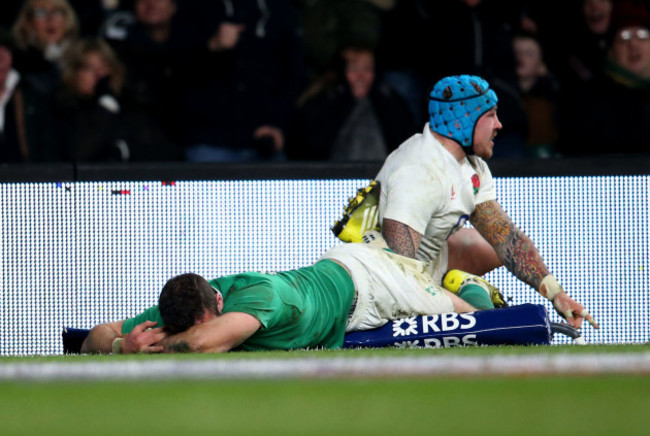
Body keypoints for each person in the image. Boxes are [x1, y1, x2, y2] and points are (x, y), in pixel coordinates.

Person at [333, 74, 598, 331]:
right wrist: (469, 313)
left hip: (425, 266)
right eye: (491, 115)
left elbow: (507, 239)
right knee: (483, 320)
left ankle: (455, 284)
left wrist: (557, 295)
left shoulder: (472, 167)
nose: (499, 125)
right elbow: (398, 273)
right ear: (462, 120)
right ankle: (463, 289)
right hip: (388, 281)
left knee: (491, 245)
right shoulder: (419, 170)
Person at [80, 242, 490, 354]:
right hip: (335, 277)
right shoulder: (182, 305)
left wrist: (144, 351)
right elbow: (92, 338)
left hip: (369, 283)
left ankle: (468, 281)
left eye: (215, 321)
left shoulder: (259, 296)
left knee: (481, 322)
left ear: (220, 305)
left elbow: (204, 343)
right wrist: (120, 342)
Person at [287, 45, 416, 161]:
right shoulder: (324, 100)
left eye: (367, 69)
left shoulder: (388, 98)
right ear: (342, 71)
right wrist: (345, 101)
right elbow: (308, 147)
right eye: (354, 69)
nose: (361, 76)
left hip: (381, 180)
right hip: (334, 180)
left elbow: (407, 144)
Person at [558, 0, 650, 156]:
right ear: (612, 51)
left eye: (642, 36)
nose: (633, 44)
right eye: (624, 38)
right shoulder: (589, 100)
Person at [513, 32, 561, 158]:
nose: (521, 58)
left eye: (529, 54)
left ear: (541, 65)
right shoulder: (494, 97)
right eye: (516, 53)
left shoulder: (550, 100)